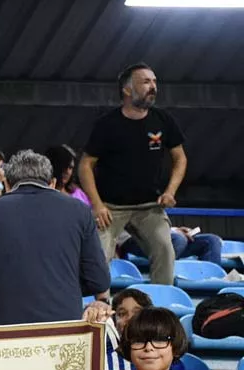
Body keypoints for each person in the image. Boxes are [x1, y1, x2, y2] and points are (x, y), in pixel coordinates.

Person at [0, 150, 110, 325]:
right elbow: (99, 280)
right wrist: (63, 292)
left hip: (10, 325)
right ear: (53, 183)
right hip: (65, 324)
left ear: (7, 184)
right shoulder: (79, 211)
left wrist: (7, 299)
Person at [79, 63, 187, 285]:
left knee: (165, 249)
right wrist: (97, 204)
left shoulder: (163, 120)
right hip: (111, 207)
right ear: (127, 90)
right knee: (97, 258)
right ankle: (99, 309)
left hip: (149, 206)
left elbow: (180, 158)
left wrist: (170, 191)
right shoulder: (107, 124)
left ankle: (160, 311)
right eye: (146, 82)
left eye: (155, 81)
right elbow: (85, 165)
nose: (153, 87)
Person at [122, 226, 223, 268]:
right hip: (132, 239)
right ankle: (163, 274)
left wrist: (175, 229)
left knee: (212, 240)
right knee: (179, 239)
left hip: (161, 236)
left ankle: (209, 278)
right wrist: (173, 232)